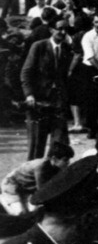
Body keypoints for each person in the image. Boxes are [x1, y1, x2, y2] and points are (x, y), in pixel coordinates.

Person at [19, 15, 72, 161]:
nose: (62, 32)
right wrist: (29, 95)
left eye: (65, 29)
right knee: (36, 148)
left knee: (59, 148)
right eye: (59, 28)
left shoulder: (67, 49)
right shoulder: (39, 47)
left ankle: (54, 181)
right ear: (51, 29)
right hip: (38, 103)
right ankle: (33, 181)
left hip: (58, 104)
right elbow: (26, 73)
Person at [0, 140, 73, 238]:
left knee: (33, 214)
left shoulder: (54, 166)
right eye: (65, 160)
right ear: (54, 159)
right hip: (12, 187)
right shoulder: (41, 167)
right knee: (21, 214)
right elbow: (42, 192)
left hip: (26, 188)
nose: (68, 163)